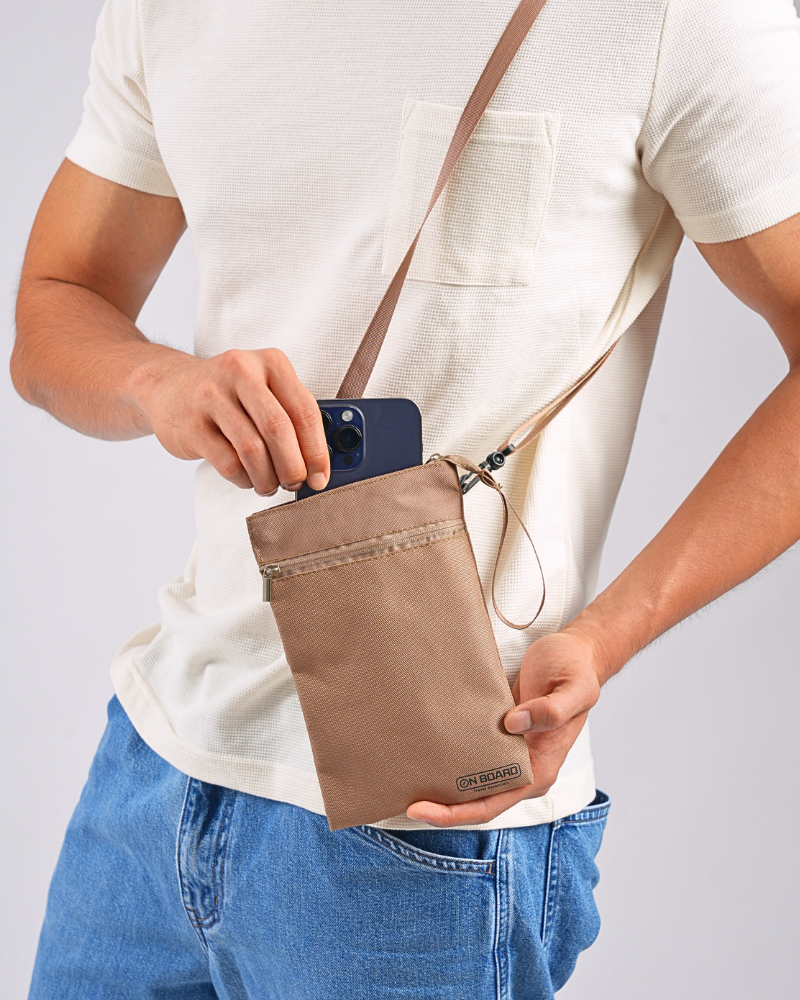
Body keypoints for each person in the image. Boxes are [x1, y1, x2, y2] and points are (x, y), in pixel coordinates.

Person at [11, 0, 800, 996]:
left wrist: (605, 636)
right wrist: (159, 382)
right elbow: (57, 303)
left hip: (424, 814)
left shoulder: (673, 17)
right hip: (154, 766)